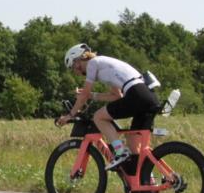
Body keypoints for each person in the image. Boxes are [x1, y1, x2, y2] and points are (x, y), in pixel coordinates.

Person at [55, 44, 161, 172]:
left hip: (136, 93)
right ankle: (145, 183)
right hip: (147, 95)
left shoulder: (93, 63)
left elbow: (83, 96)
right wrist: (91, 95)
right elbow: (116, 96)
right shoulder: (104, 66)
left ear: (77, 61)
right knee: (134, 147)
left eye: (72, 68)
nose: (75, 72)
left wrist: (70, 115)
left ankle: (120, 152)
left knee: (98, 117)